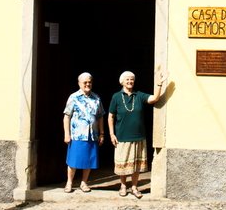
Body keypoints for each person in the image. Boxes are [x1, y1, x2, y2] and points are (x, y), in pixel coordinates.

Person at [108, 70, 168, 198]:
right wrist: (112, 134)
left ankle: (134, 187)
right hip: (122, 137)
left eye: (132, 79)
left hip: (138, 136)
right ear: (122, 81)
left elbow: (154, 99)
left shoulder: (139, 95)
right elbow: (110, 116)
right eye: (127, 79)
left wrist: (159, 84)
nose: (130, 81)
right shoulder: (116, 97)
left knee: (136, 164)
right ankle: (123, 186)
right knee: (123, 165)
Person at [63, 72, 105, 193]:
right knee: (73, 161)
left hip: (92, 135)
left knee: (89, 160)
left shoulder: (96, 98)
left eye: (89, 82)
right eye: (85, 82)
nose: (88, 84)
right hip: (77, 134)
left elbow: (100, 116)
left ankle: (84, 183)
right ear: (79, 83)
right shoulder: (73, 97)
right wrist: (67, 134)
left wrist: (102, 133)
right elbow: (67, 116)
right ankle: (69, 182)